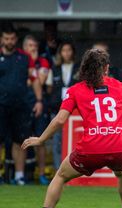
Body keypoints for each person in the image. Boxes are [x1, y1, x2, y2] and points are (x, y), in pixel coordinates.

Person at [23, 48, 122, 208]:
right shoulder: (121, 86)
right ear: (106, 68)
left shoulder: (75, 90)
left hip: (90, 149)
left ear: (84, 68)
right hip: (118, 148)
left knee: (60, 176)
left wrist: (41, 139)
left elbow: (60, 119)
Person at [0, 25, 43, 185]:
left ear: (16, 39)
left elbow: (35, 79)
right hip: (1, 105)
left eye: (12, 38)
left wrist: (39, 100)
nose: (9, 41)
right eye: (6, 38)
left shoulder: (25, 57)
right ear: (1, 39)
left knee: (20, 141)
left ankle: (19, 176)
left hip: (20, 105)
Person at [46, 41, 80, 171]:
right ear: (60, 53)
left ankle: (73, 170)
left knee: (73, 142)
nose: (66, 53)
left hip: (75, 112)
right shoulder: (54, 69)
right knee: (57, 142)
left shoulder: (79, 68)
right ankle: (58, 170)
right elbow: (49, 89)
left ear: (73, 52)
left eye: (69, 50)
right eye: (64, 50)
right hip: (58, 109)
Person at [23, 34, 51, 185]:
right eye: (30, 46)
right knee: (18, 139)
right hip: (21, 104)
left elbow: (39, 81)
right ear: (24, 47)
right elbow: (21, 82)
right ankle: (19, 173)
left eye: (35, 46)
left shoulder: (44, 62)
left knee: (40, 139)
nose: (33, 49)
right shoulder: (19, 60)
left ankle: (41, 174)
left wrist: (32, 64)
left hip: (39, 104)